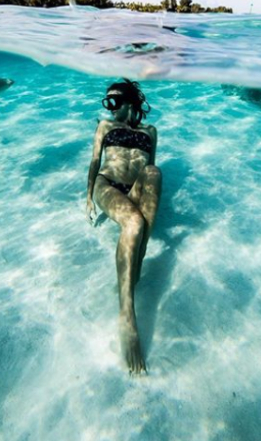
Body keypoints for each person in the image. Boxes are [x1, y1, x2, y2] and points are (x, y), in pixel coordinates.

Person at [86, 79, 162, 374]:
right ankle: (127, 313)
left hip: (133, 189)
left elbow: (148, 173)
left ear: (130, 102)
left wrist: (143, 191)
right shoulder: (105, 126)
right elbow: (95, 161)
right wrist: (88, 198)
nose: (110, 107)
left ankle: (138, 260)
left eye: (114, 101)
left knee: (154, 171)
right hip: (107, 185)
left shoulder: (150, 132)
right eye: (107, 102)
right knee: (133, 221)